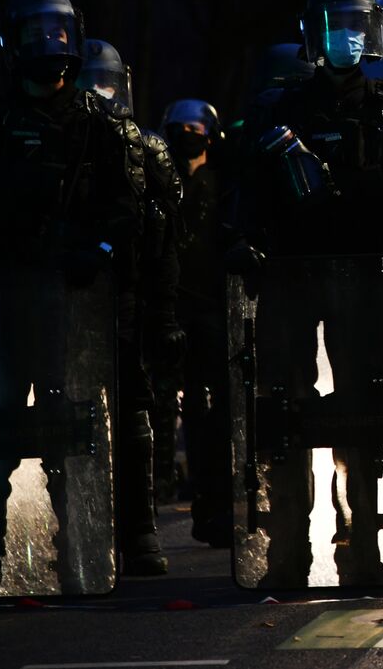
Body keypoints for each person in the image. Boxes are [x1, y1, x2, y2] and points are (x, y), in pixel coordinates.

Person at [228, 0, 383, 586]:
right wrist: (241, 240)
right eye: (335, 28)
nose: (347, 39)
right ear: (314, 36)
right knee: (283, 412)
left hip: (365, 276)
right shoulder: (277, 109)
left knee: (365, 410)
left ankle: (362, 550)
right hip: (290, 278)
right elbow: (245, 192)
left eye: (356, 27)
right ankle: (288, 553)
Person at [0, 0, 155, 588]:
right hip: (3, 304)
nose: (47, 46)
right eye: (35, 35)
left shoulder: (100, 126)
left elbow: (126, 209)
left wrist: (96, 254)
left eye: (55, 34)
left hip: (74, 308)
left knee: (73, 434)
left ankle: (84, 559)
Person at [77, 40, 186, 508]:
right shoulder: (69, 139)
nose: (104, 94)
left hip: (128, 291)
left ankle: (140, 523)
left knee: (134, 403)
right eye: (94, 85)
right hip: (77, 289)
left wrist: (163, 314)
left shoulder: (148, 148)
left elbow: (164, 240)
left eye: (110, 84)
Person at [162, 98, 232, 546]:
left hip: (212, 306)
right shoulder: (160, 182)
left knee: (216, 414)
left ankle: (217, 507)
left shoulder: (223, 186)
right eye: (180, 127)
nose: (188, 134)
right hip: (169, 307)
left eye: (196, 127)